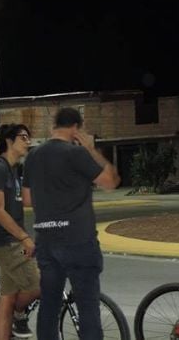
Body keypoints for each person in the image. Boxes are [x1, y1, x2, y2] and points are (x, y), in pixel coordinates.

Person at [22, 107, 120, 340]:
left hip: (46, 239)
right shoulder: (75, 154)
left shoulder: (33, 156)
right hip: (77, 239)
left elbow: (26, 199)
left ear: (53, 126)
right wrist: (90, 148)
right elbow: (111, 181)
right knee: (87, 307)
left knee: (49, 305)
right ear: (76, 128)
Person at [0, 124, 40, 339]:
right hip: (2, 240)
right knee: (40, 284)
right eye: (23, 137)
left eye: (29, 137)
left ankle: (12, 316)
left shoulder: (14, 169)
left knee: (7, 297)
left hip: (11, 238)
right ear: (8, 141)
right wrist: (24, 238)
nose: (28, 142)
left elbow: (25, 201)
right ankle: (18, 314)